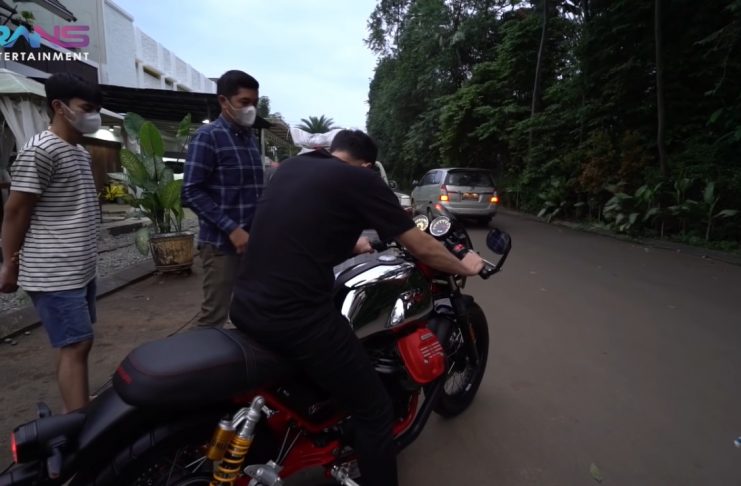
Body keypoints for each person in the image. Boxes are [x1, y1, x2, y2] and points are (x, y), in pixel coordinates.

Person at [229, 129, 485, 486]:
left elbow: (300, 226)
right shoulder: (361, 180)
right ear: (367, 165)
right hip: (295, 320)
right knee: (375, 410)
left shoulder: (290, 168)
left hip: (244, 304)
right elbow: (421, 246)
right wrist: (464, 266)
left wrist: (355, 244)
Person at [0, 73, 102, 413]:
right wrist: (8, 264)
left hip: (79, 267)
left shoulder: (79, 152)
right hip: (53, 270)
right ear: (59, 107)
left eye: (96, 108)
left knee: (74, 344)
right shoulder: (40, 151)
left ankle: (75, 407)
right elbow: (16, 211)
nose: (93, 115)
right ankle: (80, 423)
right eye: (86, 108)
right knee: (76, 344)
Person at [182, 70, 264, 327]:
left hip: (250, 244)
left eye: (254, 103)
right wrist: (232, 229)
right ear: (223, 101)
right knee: (214, 316)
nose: (251, 109)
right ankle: (200, 354)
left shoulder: (249, 139)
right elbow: (191, 191)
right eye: (244, 102)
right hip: (221, 245)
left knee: (249, 309)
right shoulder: (208, 137)